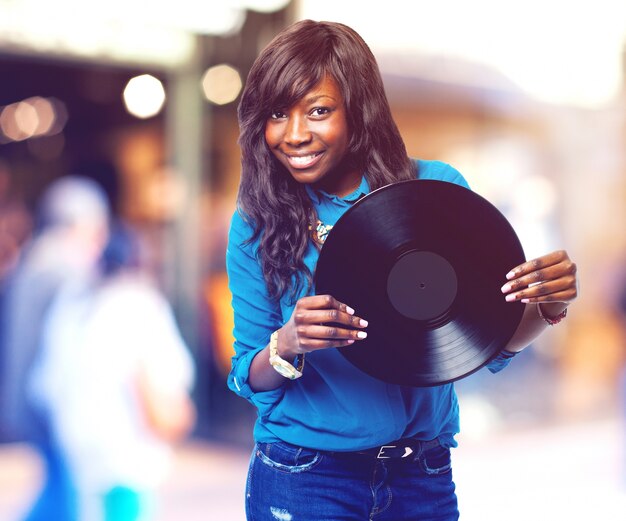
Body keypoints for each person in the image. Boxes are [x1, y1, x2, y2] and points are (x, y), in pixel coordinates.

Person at [226, 19, 579, 521]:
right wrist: (288, 341)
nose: (295, 134)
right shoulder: (254, 224)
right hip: (304, 478)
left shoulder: (437, 189)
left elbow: (486, 344)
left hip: (421, 479)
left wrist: (550, 304)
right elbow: (248, 376)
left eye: (319, 111)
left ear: (359, 110)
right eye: (278, 114)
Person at [28, 222, 196, 521]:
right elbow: (169, 378)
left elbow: (44, 387)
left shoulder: (71, 307)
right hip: (128, 457)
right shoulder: (141, 305)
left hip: (78, 455)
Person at [0, 175, 111, 521]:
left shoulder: (37, 257)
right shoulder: (64, 265)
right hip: (54, 403)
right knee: (65, 493)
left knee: (60, 488)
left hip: (35, 398)